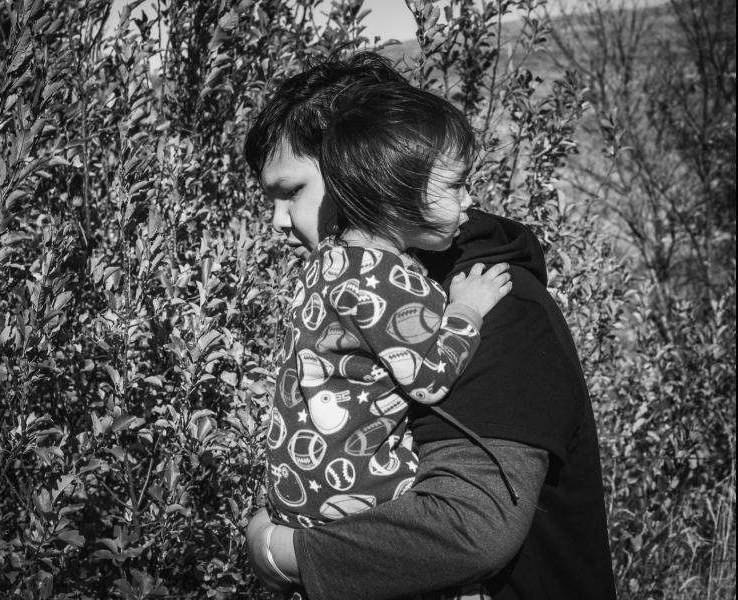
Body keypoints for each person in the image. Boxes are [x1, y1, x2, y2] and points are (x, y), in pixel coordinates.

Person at [243, 52, 617, 600]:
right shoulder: (364, 285)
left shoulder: (498, 304)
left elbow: (466, 529)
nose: (277, 221)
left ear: (366, 165)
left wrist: (278, 552)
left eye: (292, 191)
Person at [262, 80, 513, 599]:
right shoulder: (386, 277)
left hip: (298, 493)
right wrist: (466, 310)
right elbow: (427, 380)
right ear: (395, 192)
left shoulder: (329, 261)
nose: (471, 200)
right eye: (456, 185)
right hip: (357, 495)